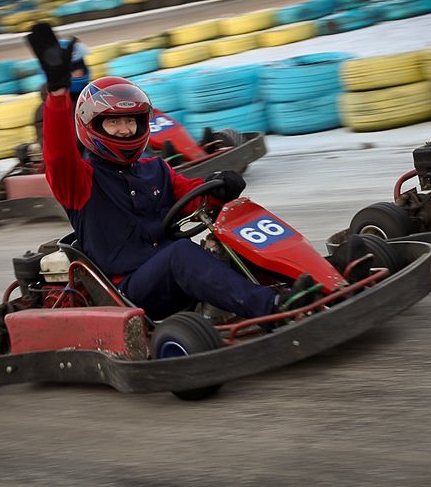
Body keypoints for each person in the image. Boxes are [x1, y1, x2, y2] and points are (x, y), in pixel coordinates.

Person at [26, 23, 317, 322]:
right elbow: (58, 155)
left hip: (171, 277)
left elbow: (193, 196)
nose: (125, 130)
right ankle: (274, 307)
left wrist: (220, 187)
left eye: (131, 121)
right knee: (181, 253)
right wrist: (58, 93)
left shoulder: (156, 169)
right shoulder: (81, 181)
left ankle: (306, 279)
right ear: (93, 126)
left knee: (232, 219)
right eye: (114, 123)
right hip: (129, 291)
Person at [33, 39, 90, 145]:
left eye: (80, 67)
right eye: (73, 69)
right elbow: (57, 146)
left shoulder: (94, 96)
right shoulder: (47, 111)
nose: (79, 73)